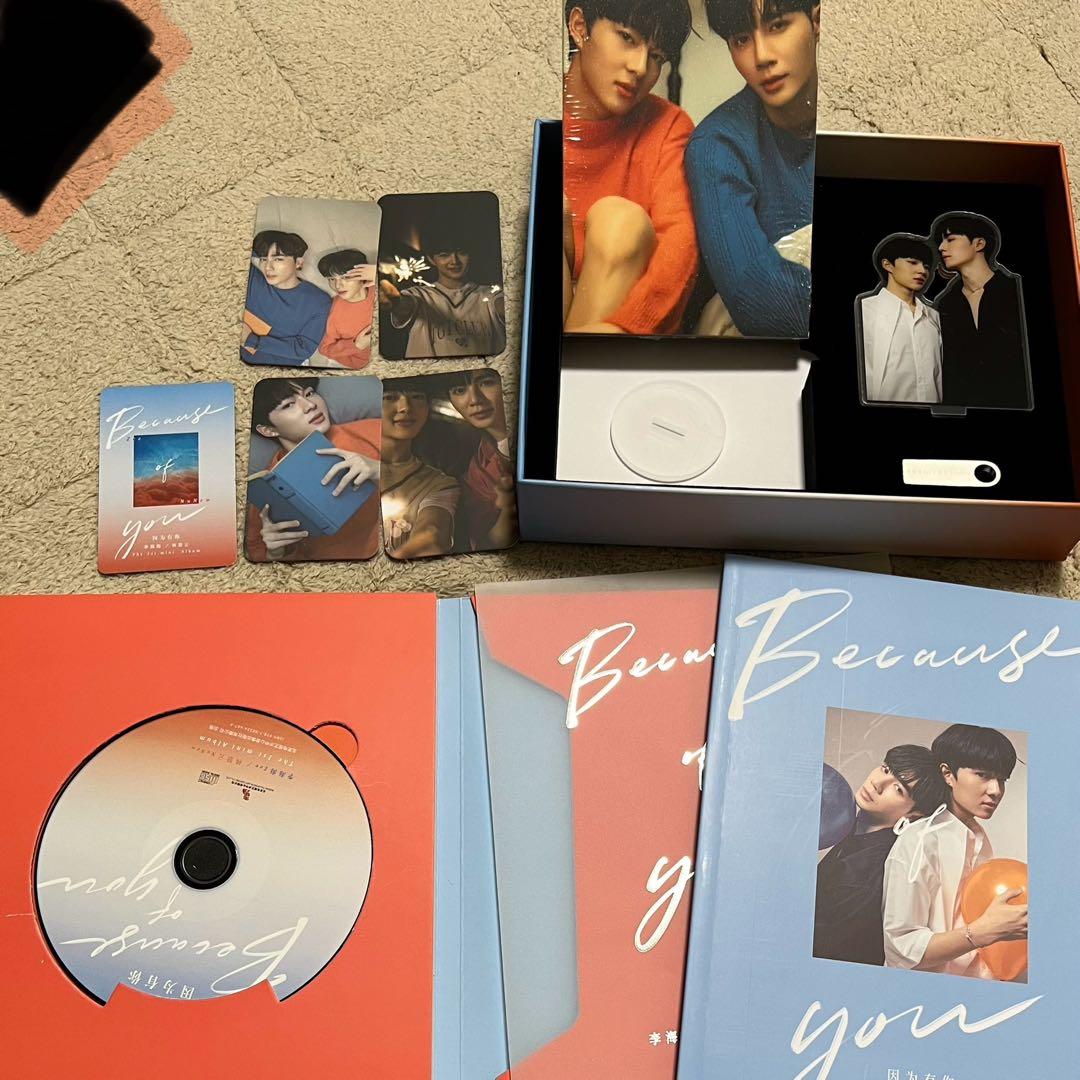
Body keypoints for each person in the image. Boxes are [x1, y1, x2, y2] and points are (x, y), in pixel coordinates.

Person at [561, 0, 698, 335]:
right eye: (626, 37)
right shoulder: (527, 110)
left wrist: (625, 330)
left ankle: (581, 362)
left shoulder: (668, 126)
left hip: (620, 332)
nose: (640, 67)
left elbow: (679, 250)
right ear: (579, 27)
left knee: (621, 221)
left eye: (656, 57)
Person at [686, 0, 820, 338]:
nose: (762, 56)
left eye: (778, 26)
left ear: (817, 22)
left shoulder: (861, 116)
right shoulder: (716, 144)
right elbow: (765, 306)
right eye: (741, 39)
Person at [882, 724, 1026, 979]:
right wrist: (982, 932)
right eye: (982, 775)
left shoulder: (979, 839)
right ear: (948, 774)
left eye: (1002, 779)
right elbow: (901, 951)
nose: (996, 790)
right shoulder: (919, 841)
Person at [813, 745, 949, 967]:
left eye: (898, 789)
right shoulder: (856, 825)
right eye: (885, 769)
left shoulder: (874, 867)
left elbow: (827, 947)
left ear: (915, 814)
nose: (878, 783)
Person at [246, 378, 380, 562]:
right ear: (268, 430)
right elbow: (258, 558)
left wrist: (381, 470)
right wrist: (275, 553)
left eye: (309, 393)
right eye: (288, 405)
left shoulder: (373, 430)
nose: (310, 405)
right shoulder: (268, 487)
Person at [931, 212, 1030, 409]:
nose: (941, 247)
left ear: (979, 244)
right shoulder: (946, 304)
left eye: (950, 239)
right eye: (941, 241)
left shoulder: (1014, 290)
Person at [379, 224, 505, 359]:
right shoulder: (419, 295)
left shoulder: (490, 294)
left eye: (461, 252)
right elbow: (405, 305)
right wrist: (395, 302)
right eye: (444, 254)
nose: (454, 261)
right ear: (431, 259)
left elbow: (506, 305)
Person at [436, 368, 518, 551]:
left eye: (486, 383)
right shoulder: (478, 472)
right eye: (459, 390)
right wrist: (509, 509)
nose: (474, 400)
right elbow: (486, 544)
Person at [858, 234, 942, 404]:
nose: (922, 271)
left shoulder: (934, 317)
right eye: (913, 262)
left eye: (926, 266)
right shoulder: (865, 311)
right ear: (887, 265)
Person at [380, 380, 460, 558]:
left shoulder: (438, 483)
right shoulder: (341, 459)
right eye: (390, 397)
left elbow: (432, 531)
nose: (405, 407)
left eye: (417, 397)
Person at [242, 230, 332, 365]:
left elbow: (304, 348)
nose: (268, 267)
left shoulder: (319, 302)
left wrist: (251, 340)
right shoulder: (253, 279)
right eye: (263, 259)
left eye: (278, 259)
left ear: (298, 263)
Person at [313, 248, 376, 369]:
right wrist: (356, 345)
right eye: (332, 279)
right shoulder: (333, 312)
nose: (338, 285)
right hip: (362, 365)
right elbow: (325, 348)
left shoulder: (379, 289)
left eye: (346, 277)